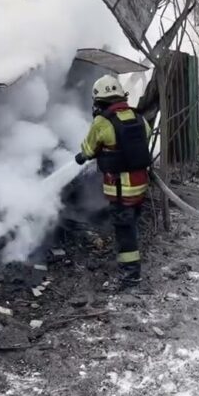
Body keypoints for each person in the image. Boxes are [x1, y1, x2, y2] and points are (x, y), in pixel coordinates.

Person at [75, 75, 152, 290]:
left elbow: (88, 149)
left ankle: (130, 277)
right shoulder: (138, 117)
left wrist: (83, 155)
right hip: (140, 186)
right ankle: (130, 266)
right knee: (130, 227)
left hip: (121, 190)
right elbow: (144, 136)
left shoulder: (102, 122)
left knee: (124, 233)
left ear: (99, 100)